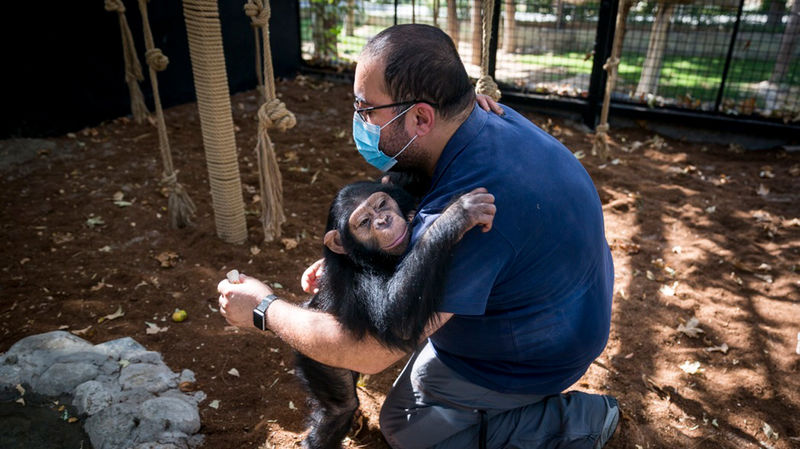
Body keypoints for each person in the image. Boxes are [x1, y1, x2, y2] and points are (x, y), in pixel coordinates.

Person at [218, 24, 618, 449]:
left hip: (534, 356)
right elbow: (403, 194)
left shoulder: (468, 212)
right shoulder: (482, 117)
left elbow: (371, 351)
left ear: (421, 117)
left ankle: (574, 421)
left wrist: (264, 308)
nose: (360, 120)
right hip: (564, 304)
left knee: (405, 427)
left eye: (367, 108)